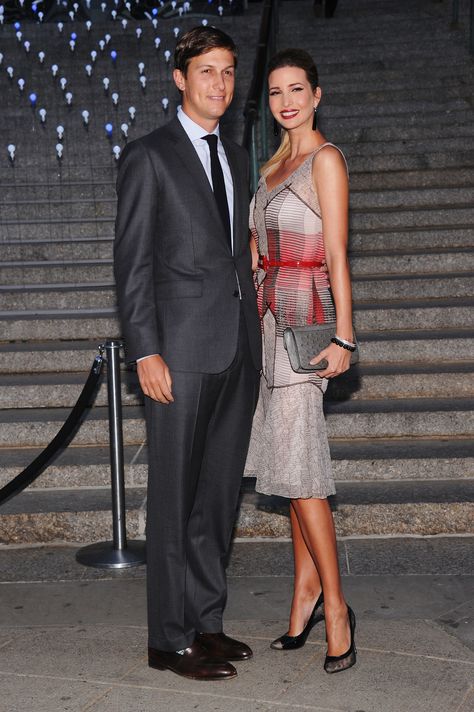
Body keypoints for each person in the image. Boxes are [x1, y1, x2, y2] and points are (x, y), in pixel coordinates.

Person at [114, 26, 261, 681]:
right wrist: (144, 351)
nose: (220, 85)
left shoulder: (232, 152)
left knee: (217, 498)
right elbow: (133, 264)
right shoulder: (149, 156)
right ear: (180, 77)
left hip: (234, 350)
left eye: (228, 72)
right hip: (177, 352)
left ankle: (206, 622)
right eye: (207, 72)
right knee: (175, 503)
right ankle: (167, 641)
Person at [246, 48, 357, 674]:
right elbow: (263, 255)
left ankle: (336, 608)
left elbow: (337, 253)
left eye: (297, 89)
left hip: (307, 330)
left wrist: (344, 337)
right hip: (268, 330)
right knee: (289, 472)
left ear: (317, 94)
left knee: (303, 471)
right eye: (276, 92)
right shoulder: (270, 169)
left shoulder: (326, 160)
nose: (286, 101)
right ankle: (303, 594)